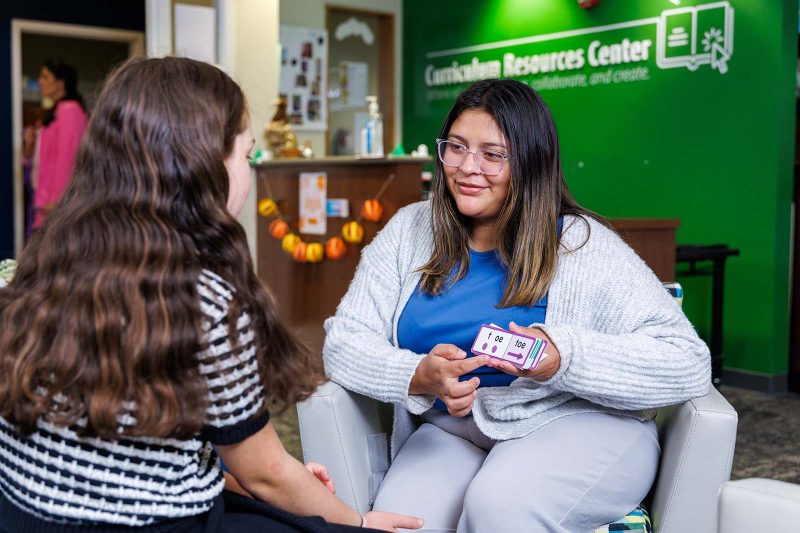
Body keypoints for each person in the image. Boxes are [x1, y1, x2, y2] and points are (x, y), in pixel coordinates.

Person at [0, 57, 422, 533]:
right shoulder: (202, 298)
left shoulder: (44, 261)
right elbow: (265, 473)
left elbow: (144, 449)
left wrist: (268, 486)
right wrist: (359, 522)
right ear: (202, 166)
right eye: (246, 154)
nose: (248, 168)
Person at [323, 78, 711, 532]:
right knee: (405, 524)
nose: (468, 168)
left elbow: (688, 362)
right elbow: (343, 342)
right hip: (455, 429)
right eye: (457, 147)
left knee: (499, 507)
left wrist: (564, 356)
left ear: (530, 162)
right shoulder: (408, 231)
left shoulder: (582, 246)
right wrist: (415, 374)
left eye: (493, 154)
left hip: (579, 421)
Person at [26, 59, 88, 229]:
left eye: (45, 77)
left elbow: (68, 157)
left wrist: (58, 199)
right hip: (44, 202)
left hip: (56, 205)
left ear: (60, 83)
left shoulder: (70, 110)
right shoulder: (55, 112)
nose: (40, 81)